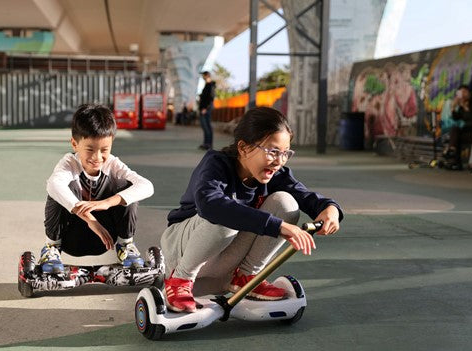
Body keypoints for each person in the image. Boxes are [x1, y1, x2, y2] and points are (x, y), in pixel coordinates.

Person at [160, 107, 343, 313]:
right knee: (225, 217)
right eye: (273, 151)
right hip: (183, 250)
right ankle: (180, 279)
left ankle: (246, 276)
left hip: (224, 258)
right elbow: (210, 205)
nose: (279, 161)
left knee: (286, 203)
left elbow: (306, 196)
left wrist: (330, 208)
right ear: (244, 148)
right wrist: (278, 226)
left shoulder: (276, 174)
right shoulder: (216, 164)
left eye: (285, 153)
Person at [40, 104, 155, 274]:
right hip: (70, 239)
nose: (97, 157)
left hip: (106, 240)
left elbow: (147, 186)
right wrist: (90, 220)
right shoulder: (68, 164)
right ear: (74, 144)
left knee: (127, 187)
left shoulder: (113, 164)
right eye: (90, 149)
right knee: (59, 189)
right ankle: (52, 248)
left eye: (104, 150)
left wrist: (108, 202)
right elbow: (54, 185)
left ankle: (126, 246)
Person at [443, 85, 472, 170]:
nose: (463, 95)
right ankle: (454, 158)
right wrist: (453, 108)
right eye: (461, 92)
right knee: (455, 132)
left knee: (456, 133)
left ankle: (452, 153)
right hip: (466, 131)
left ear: (469, 93)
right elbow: (456, 117)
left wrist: (465, 107)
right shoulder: (462, 104)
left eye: (465, 92)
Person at [198, 71, 216, 150]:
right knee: (205, 127)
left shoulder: (210, 85)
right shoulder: (207, 85)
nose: (202, 77)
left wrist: (205, 108)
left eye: (203, 75)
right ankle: (206, 143)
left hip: (205, 109)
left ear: (207, 76)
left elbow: (210, 98)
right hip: (204, 108)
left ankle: (209, 144)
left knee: (207, 126)